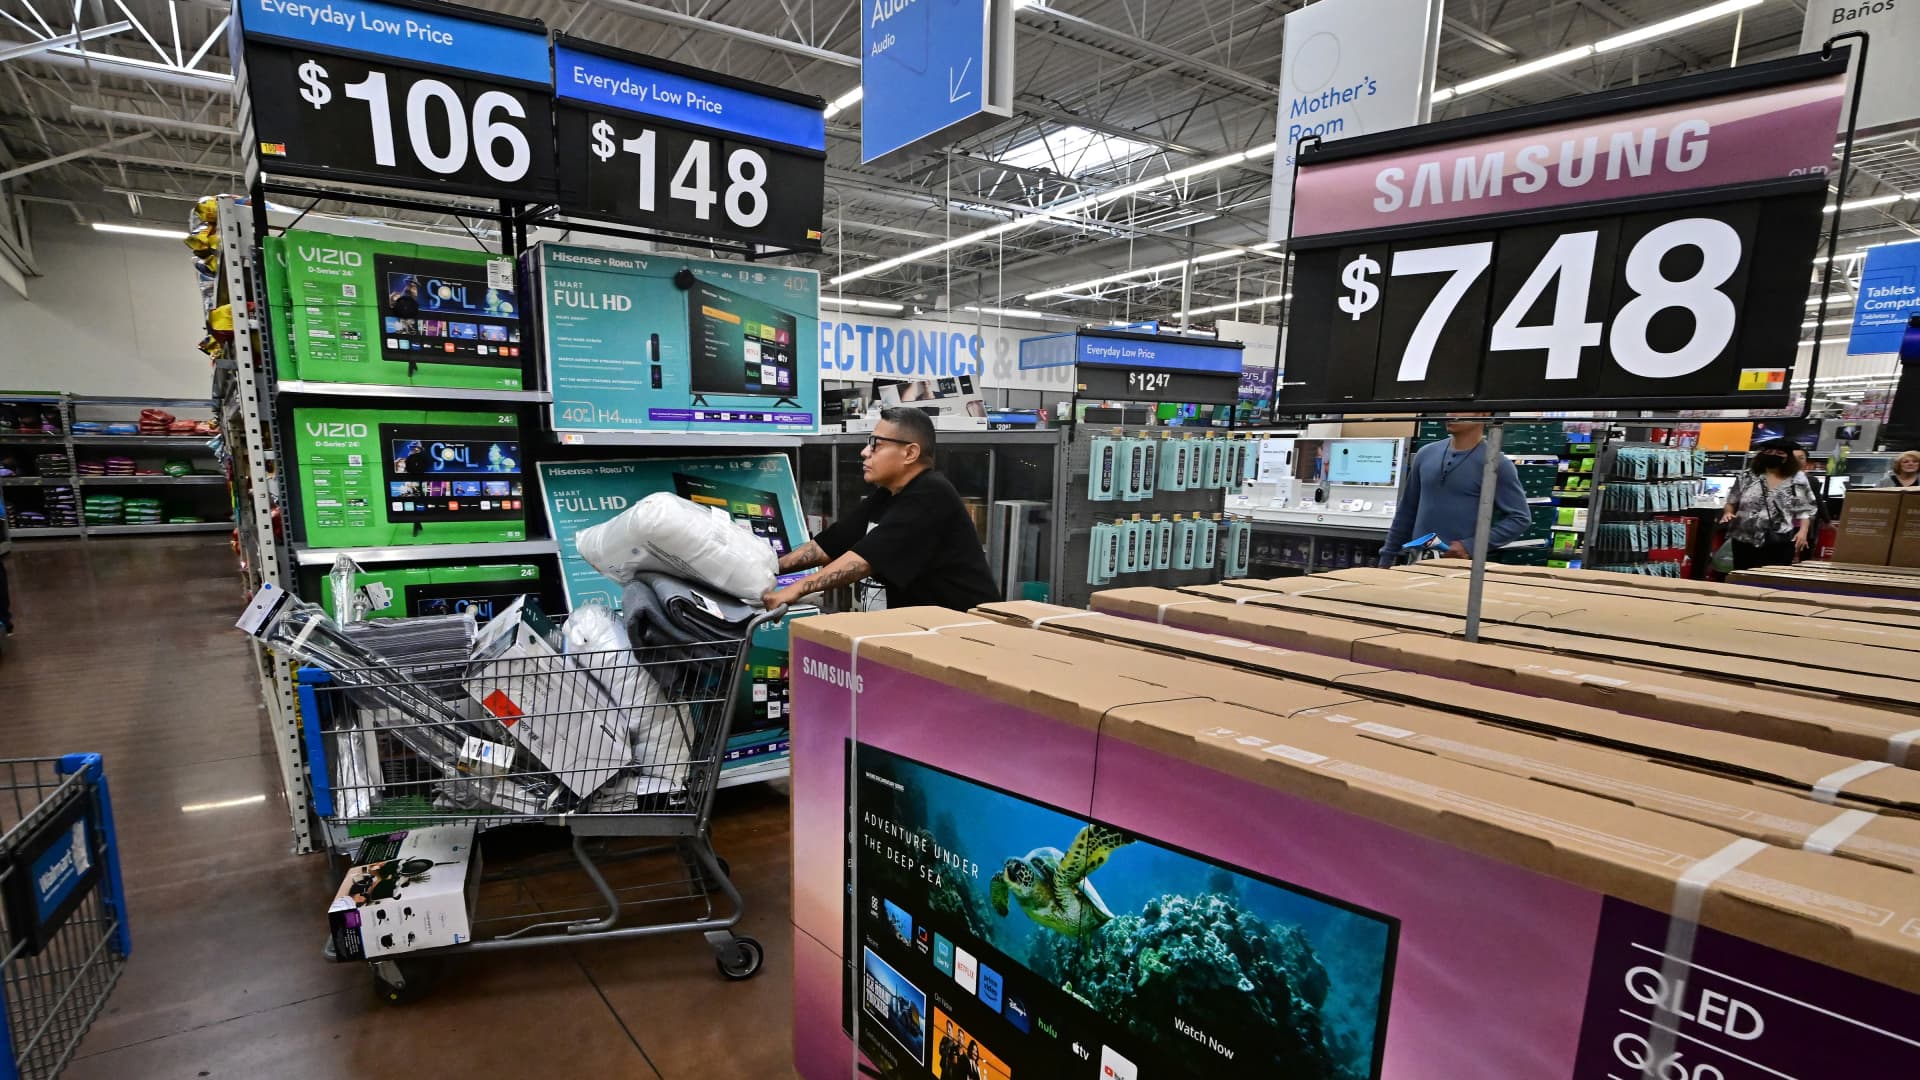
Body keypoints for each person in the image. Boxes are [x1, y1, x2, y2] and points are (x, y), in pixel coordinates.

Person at [763, 408, 1000, 612]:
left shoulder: (932, 494)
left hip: (964, 629)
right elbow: (829, 545)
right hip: (921, 627)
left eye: (876, 444)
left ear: (910, 453)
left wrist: (794, 590)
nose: (865, 452)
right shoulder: (888, 494)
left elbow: (863, 561)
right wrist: (768, 567)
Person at [1379, 418, 1532, 566]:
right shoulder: (1425, 454)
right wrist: (1386, 558)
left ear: (1484, 413)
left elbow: (1519, 518)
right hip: (1416, 562)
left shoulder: (1495, 464)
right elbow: (1407, 510)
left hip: (1458, 568)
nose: (1450, 414)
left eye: (1461, 407)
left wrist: (1470, 545)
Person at [1720, 438, 1817, 571]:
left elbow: (1805, 510)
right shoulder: (1747, 476)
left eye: (1779, 453)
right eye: (1769, 451)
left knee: (1772, 576)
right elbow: (1731, 501)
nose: (1773, 455)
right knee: (1742, 575)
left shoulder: (1797, 479)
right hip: (1744, 538)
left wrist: (1803, 531)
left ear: (1788, 458)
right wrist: (1728, 513)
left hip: (1779, 540)